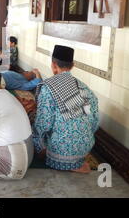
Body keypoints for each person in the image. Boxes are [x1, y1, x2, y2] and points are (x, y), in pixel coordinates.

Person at [33, 45, 99, 174]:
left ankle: (68, 164)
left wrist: (38, 147)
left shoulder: (48, 88)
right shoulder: (85, 88)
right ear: (72, 65)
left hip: (60, 154)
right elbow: (94, 122)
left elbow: (43, 124)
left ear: (53, 65)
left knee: (33, 130)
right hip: (85, 147)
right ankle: (78, 163)